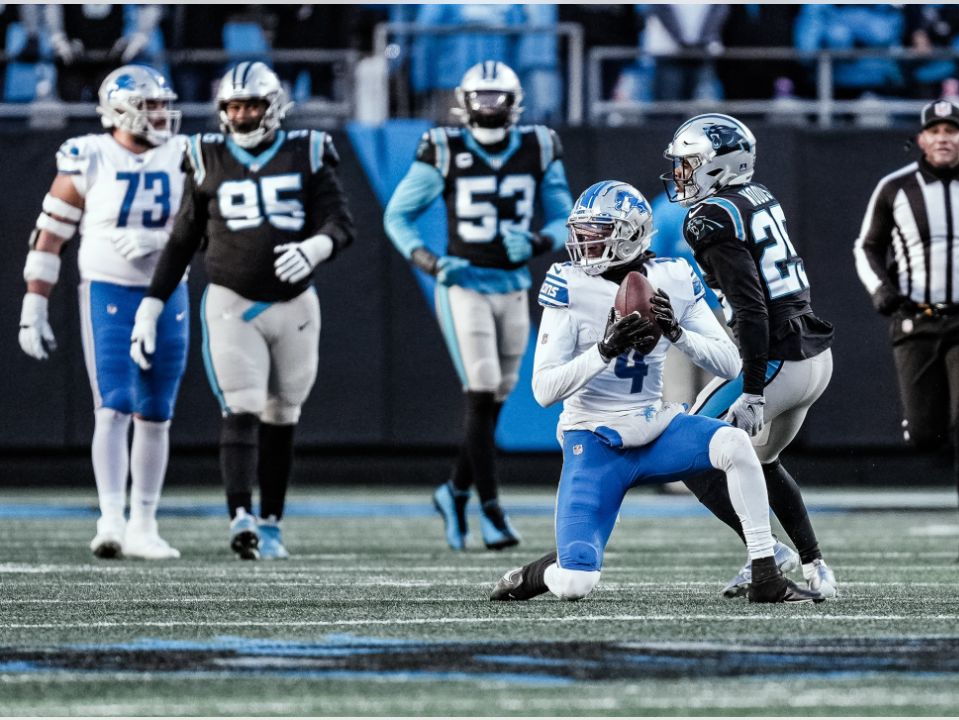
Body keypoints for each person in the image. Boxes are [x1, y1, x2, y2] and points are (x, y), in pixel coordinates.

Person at [489, 181, 822, 604]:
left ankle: (766, 573)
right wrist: (603, 350)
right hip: (593, 439)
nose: (584, 244)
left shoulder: (673, 276)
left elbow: (728, 362)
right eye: (582, 233)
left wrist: (678, 333)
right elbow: (543, 391)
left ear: (631, 235)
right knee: (575, 584)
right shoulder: (569, 284)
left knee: (736, 443)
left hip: (654, 426)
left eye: (598, 234)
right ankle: (535, 574)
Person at [130, 61, 355, 560]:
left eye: (252, 104)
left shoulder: (307, 151)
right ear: (222, 111)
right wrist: (152, 301)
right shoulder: (206, 155)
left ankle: (271, 521)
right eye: (235, 106)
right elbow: (184, 235)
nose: (244, 114)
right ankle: (241, 518)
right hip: (232, 299)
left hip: (295, 304)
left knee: (284, 410)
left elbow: (341, 221)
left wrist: (318, 246)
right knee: (241, 403)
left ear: (272, 107)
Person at [384, 60, 573, 552]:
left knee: (494, 398)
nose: (489, 108)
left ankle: (454, 491)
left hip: (511, 283)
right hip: (463, 283)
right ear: (464, 103)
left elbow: (565, 219)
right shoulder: (444, 148)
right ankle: (490, 510)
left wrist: (534, 241)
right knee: (482, 387)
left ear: (515, 104)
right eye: (481, 98)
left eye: (498, 99)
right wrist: (428, 260)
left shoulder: (538, 146)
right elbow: (398, 215)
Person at [661, 113, 838, 599]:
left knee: (686, 450)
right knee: (760, 460)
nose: (681, 172)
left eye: (690, 163)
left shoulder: (710, 216)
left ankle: (770, 554)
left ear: (720, 165)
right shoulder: (757, 196)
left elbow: (750, 308)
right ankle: (814, 563)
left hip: (776, 357)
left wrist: (754, 389)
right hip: (812, 355)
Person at [18, 65, 187, 561]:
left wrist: (159, 239)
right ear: (121, 109)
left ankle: (145, 523)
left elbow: (206, 226)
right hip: (109, 289)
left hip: (168, 289)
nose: (160, 114)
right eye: (151, 105)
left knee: (156, 412)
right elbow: (49, 235)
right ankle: (111, 519)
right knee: (113, 404)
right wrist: (34, 302)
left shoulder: (183, 156)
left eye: (162, 104)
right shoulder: (89, 156)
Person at [853, 99, 959, 563]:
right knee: (926, 433)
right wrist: (881, 291)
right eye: (936, 130)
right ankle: (941, 432)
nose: (944, 137)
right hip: (916, 319)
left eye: (953, 130)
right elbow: (866, 246)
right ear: (922, 139)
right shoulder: (894, 189)